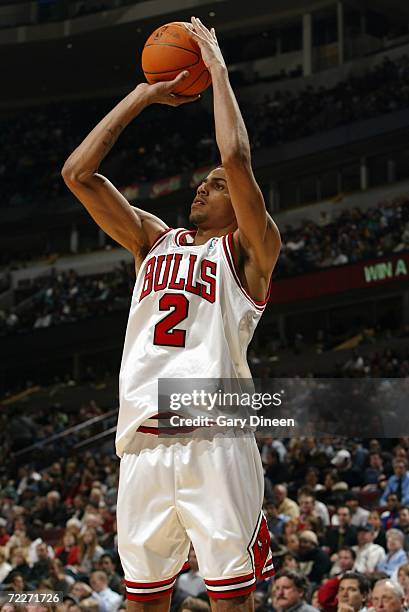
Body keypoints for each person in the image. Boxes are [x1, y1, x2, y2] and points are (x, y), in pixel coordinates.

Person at [62, 16, 280, 612]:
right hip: (144, 443)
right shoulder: (151, 241)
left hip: (214, 435)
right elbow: (77, 174)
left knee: (230, 598)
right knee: (143, 599)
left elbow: (234, 155)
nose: (202, 190)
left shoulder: (249, 251)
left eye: (215, 187)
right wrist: (142, 95)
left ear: (240, 204)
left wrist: (217, 72)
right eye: (203, 184)